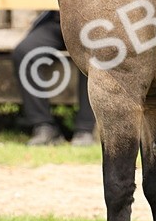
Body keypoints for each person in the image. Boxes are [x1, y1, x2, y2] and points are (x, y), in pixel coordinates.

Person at [14, 10, 97, 146]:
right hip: (58, 20)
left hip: (92, 23)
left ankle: (85, 129)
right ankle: (44, 127)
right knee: (24, 52)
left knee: (92, 55)